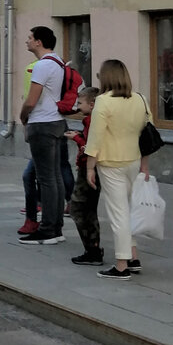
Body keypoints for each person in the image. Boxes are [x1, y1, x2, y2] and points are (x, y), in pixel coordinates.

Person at [84, 59, 150, 279]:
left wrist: (89, 167)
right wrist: (144, 165)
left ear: (106, 77)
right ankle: (133, 256)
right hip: (133, 160)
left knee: (118, 214)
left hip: (110, 162)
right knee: (128, 211)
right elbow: (147, 134)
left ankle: (121, 266)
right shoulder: (140, 99)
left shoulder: (103, 101)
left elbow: (95, 137)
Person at [18, 26, 67, 244]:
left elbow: (31, 100)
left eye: (30, 38)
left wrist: (23, 116)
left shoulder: (42, 66)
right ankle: (56, 227)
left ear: (39, 42)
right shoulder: (58, 62)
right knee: (55, 177)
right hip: (57, 122)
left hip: (42, 123)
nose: (27, 41)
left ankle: (47, 229)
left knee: (46, 179)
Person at [67, 86, 103, 265]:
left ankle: (92, 249)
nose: (78, 107)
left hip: (88, 168)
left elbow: (90, 146)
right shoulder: (92, 120)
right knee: (90, 210)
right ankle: (94, 248)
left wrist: (76, 138)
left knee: (78, 208)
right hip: (95, 168)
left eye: (80, 103)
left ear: (92, 104)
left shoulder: (91, 120)